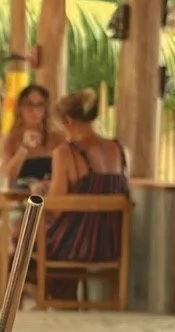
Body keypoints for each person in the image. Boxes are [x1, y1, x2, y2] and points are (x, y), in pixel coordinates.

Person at [46, 88, 129, 269]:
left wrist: (41, 192)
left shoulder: (65, 152)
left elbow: (56, 208)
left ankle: (10, 294)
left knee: (20, 235)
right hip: (112, 246)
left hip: (76, 245)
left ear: (67, 120)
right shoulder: (119, 150)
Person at [0, 85, 60, 188]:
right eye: (29, 104)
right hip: (19, 198)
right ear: (20, 108)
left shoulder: (57, 137)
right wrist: (24, 148)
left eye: (40, 105)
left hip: (49, 197)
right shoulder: (10, 139)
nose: (34, 110)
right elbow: (5, 178)